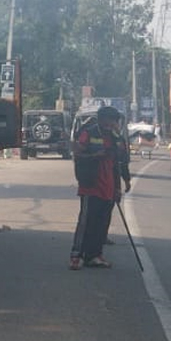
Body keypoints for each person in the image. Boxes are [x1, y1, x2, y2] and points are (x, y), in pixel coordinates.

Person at [69, 105, 131, 269]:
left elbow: (121, 160)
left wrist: (124, 181)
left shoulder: (116, 137)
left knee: (101, 223)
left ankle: (94, 255)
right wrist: (93, 156)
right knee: (86, 222)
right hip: (91, 184)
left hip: (109, 186)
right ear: (101, 119)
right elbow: (78, 154)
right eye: (110, 121)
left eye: (114, 122)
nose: (111, 125)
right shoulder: (88, 133)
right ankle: (76, 256)